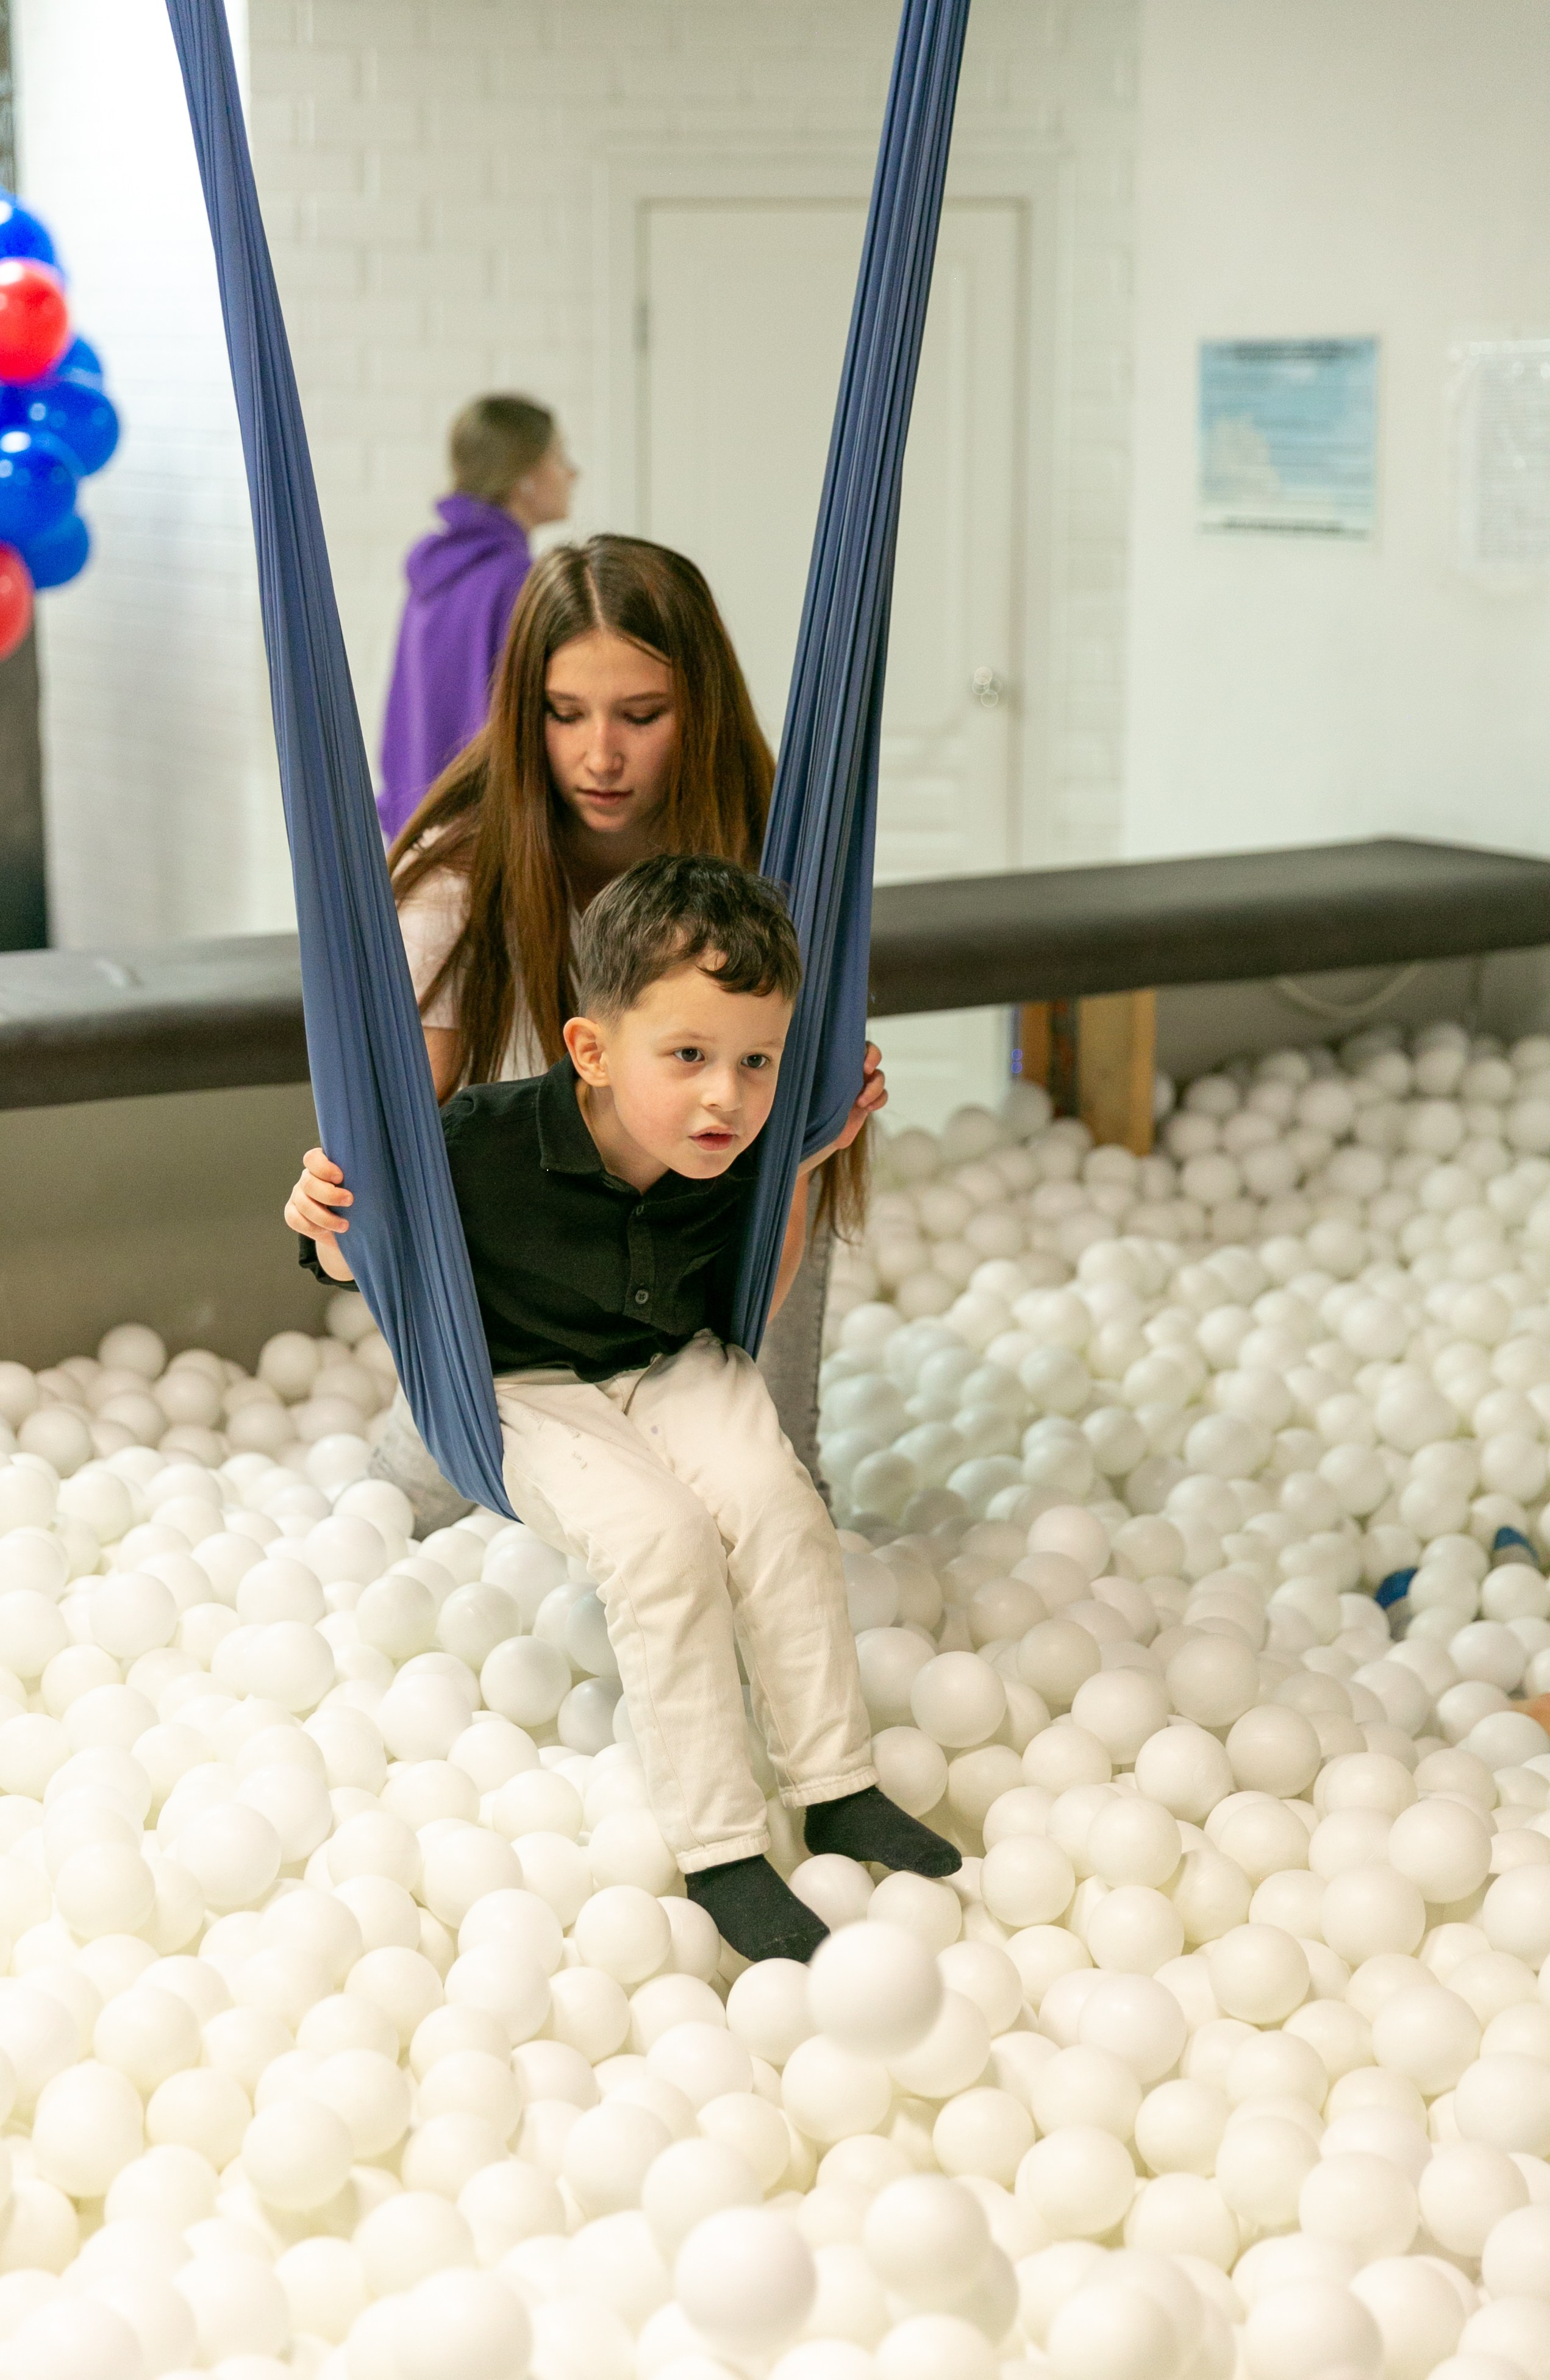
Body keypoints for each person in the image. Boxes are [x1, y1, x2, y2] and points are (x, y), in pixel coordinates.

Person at [285, 854, 956, 1964]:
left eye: (756, 1061)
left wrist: (796, 1162)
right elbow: (366, 1261)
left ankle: (835, 1785)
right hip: (522, 1388)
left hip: (675, 1363)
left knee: (778, 1505)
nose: (724, 1095)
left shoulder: (740, 1146)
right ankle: (721, 1846)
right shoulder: (478, 1145)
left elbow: (756, 1305)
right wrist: (322, 1218)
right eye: (687, 1056)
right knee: (661, 1537)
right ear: (592, 1050)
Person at [299, 533, 855, 1525]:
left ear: (701, 712)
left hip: (699, 1257)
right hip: (522, 1279)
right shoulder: (458, 886)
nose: (600, 754)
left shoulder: (769, 857)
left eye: (641, 716)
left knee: (773, 1518)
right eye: (565, 714)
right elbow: (391, 1172)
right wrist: (335, 1223)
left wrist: (818, 1122)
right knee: (394, 1528)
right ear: (526, 715)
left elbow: (786, 1153)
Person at [377, 393, 577, 841]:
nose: (572, 473)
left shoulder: (437, 568)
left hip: (419, 830)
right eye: (559, 457)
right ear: (524, 476)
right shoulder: (515, 581)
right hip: (482, 836)